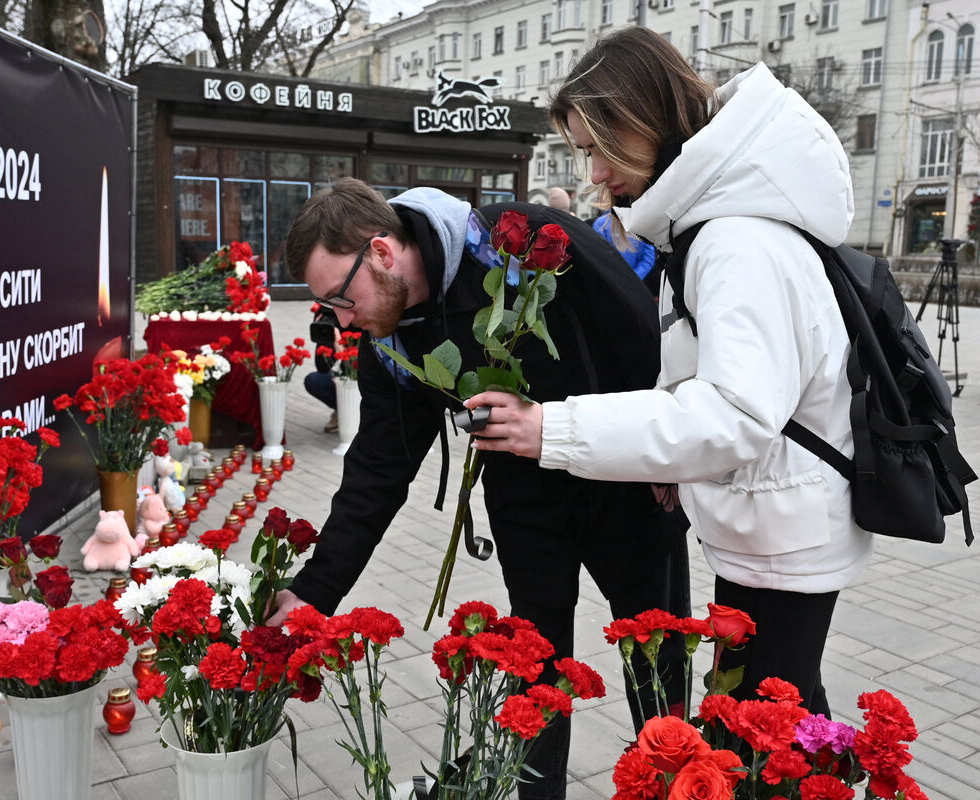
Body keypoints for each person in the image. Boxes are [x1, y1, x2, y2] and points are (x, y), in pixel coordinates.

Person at [465, 27, 873, 718]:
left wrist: (550, 429)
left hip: (780, 535)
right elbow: (714, 379)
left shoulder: (734, 238)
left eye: (595, 148)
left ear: (641, 120)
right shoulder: (715, 221)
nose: (592, 173)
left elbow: (734, 415)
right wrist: (674, 464)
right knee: (787, 728)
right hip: (771, 521)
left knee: (762, 744)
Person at [267, 177, 691, 800]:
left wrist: (666, 455)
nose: (337, 318)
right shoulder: (390, 340)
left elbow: (641, 327)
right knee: (535, 674)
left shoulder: (520, 241)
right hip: (527, 501)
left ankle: (680, 785)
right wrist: (314, 592)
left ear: (381, 253)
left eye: (338, 297)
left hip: (625, 482)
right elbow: (377, 472)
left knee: (656, 659)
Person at [305, 303, 339, 432]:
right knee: (313, 381)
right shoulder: (325, 312)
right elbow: (322, 367)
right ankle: (342, 410)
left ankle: (357, 411)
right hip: (337, 376)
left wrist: (342, 348)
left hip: (359, 377)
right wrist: (324, 339)